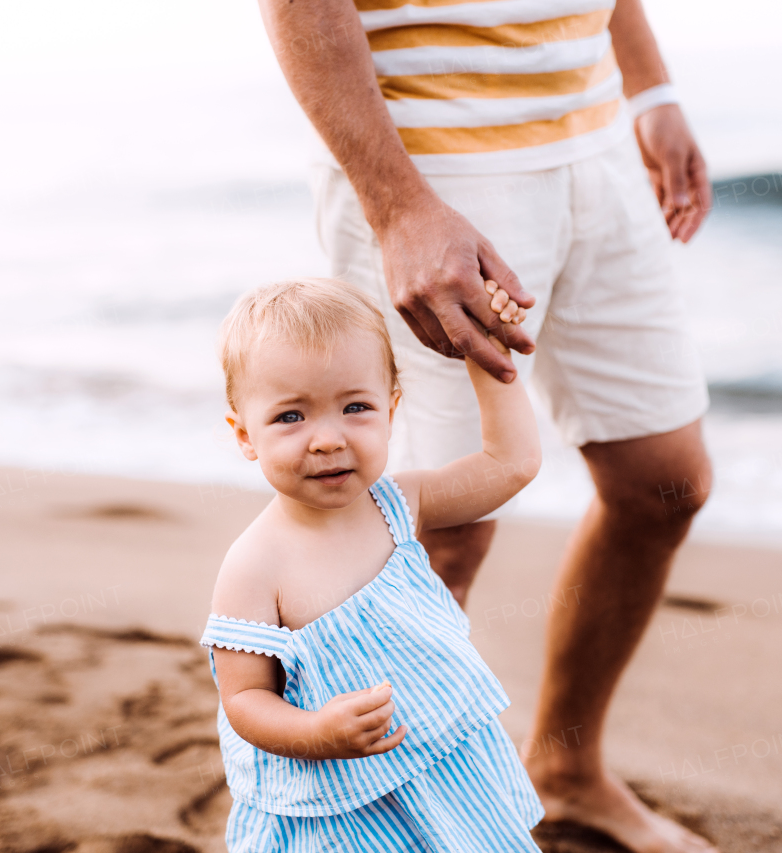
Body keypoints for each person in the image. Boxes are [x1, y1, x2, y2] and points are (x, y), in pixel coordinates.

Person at [258, 0, 717, 850]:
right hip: (434, 156)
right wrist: (397, 208)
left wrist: (651, 91)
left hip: (598, 138)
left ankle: (568, 772)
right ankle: (360, 822)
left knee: (665, 484)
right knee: (434, 540)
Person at [203, 277, 541, 850]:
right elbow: (244, 699)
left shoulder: (398, 505)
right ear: (245, 435)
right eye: (291, 417)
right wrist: (315, 731)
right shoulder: (255, 566)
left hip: (442, 761)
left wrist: (488, 352)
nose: (328, 439)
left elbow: (511, 465)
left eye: (356, 407)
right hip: (340, 806)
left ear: (392, 408)